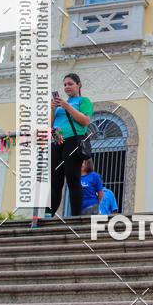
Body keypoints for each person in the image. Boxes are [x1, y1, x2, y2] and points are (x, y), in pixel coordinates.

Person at [46, 73, 93, 217]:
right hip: (56, 141)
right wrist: (53, 109)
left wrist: (67, 106)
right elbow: (50, 126)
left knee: (72, 178)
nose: (67, 87)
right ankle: (49, 213)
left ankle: (76, 215)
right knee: (55, 180)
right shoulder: (60, 105)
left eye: (70, 84)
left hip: (73, 140)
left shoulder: (83, 100)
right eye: (65, 84)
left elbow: (85, 121)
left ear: (79, 85)